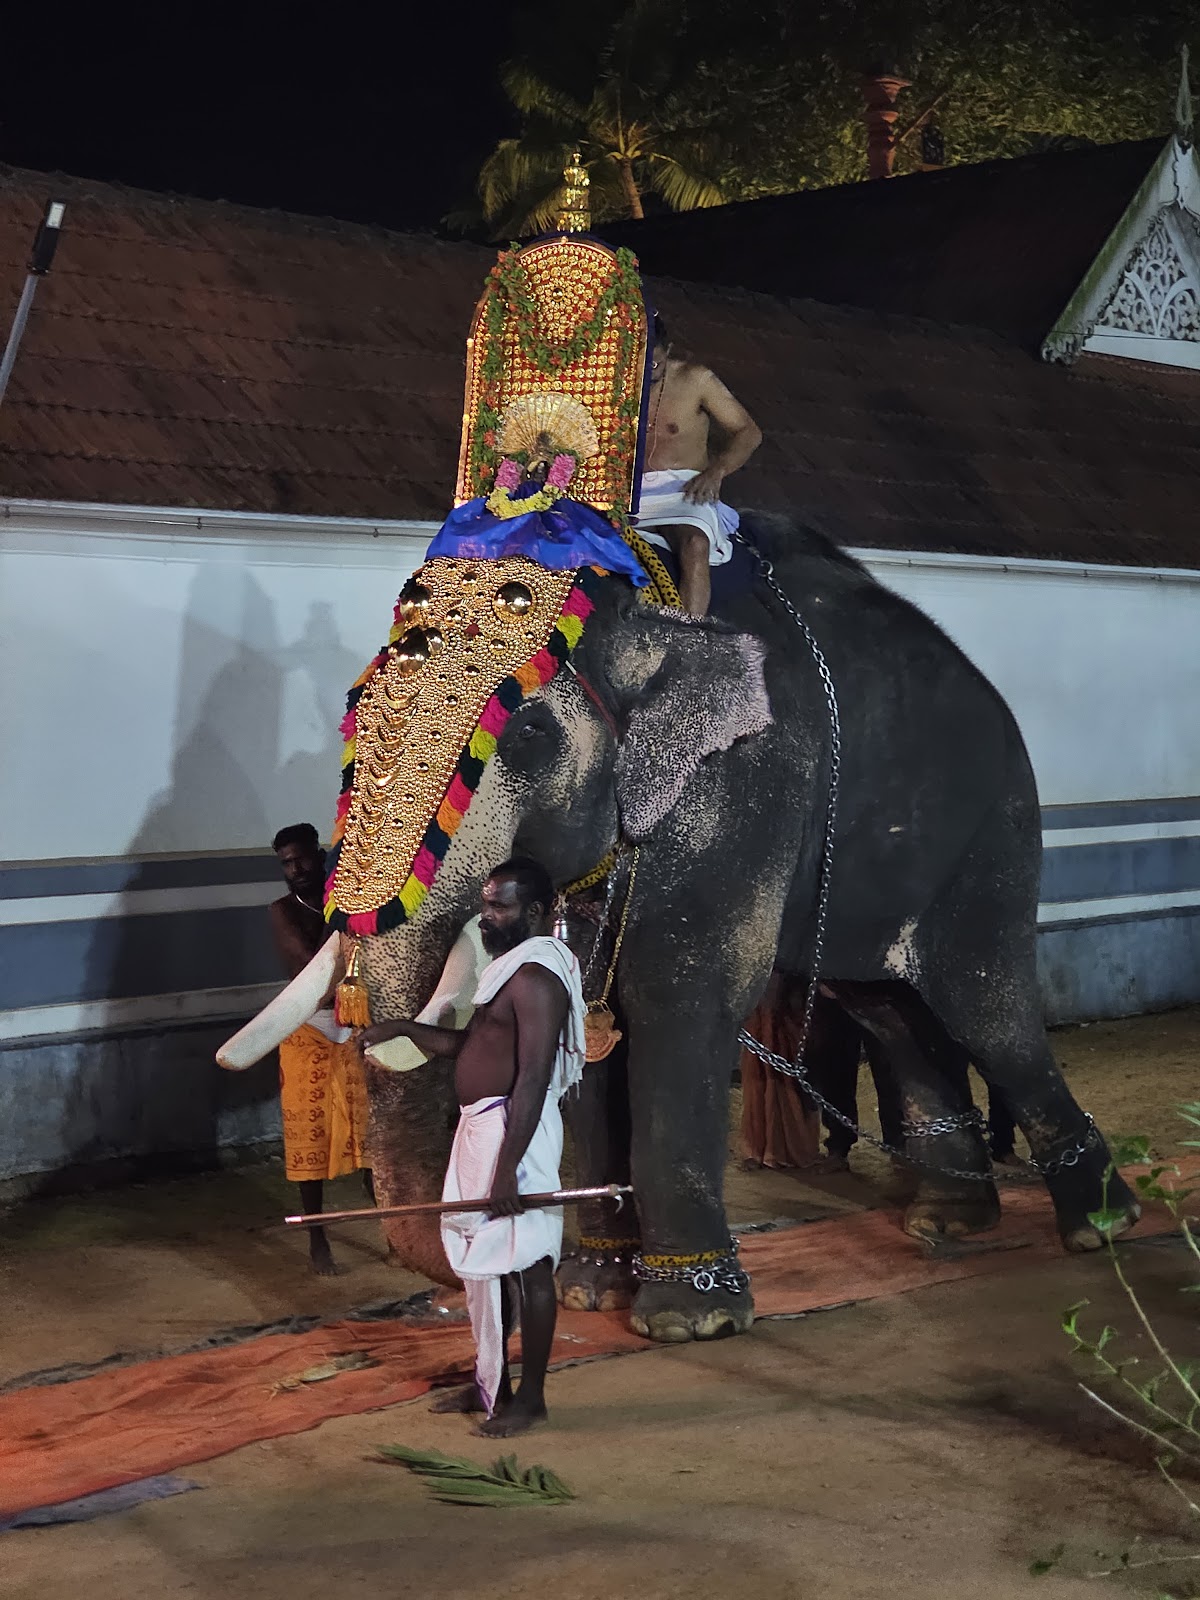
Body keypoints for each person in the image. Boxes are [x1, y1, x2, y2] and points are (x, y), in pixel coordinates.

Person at [358, 857, 584, 1438]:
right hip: (481, 1130)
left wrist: (509, 1169)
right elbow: (470, 1045)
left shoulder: (537, 978)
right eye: (485, 903)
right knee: (484, 1264)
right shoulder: (507, 970)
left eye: (499, 905)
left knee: (529, 1264)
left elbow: (533, 1076)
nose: (487, 916)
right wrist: (406, 1029)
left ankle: (530, 1397)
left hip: (516, 1135)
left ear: (533, 912)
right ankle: (491, 1381)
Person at [269, 823, 372, 1275]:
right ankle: (317, 1237)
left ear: (320, 854)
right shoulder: (282, 911)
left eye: (303, 858)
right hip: (307, 1032)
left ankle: (393, 1227)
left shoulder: (347, 903)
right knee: (309, 1141)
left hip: (356, 1027)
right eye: (287, 864)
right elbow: (313, 968)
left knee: (371, 1139)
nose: (297, 869)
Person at [636, 314, 763, 617]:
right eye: (639, 364)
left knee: (694, 544)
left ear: (668, 351)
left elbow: (749, 431)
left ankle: (689, 638)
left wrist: (716, 471)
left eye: (654, 364)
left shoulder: (696, 380)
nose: (646, 372)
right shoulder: (613, 384)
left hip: (685, 491)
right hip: (630, 494)